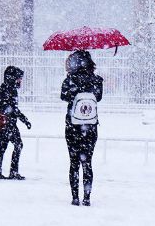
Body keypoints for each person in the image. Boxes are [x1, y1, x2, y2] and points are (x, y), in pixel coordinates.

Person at [61, 50, 103, 206]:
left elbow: (63, 96)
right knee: (87, 162)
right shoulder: (96, 79)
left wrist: (73, 88)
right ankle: (87, 197)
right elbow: (98, 98)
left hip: (73, 124)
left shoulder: (70, 79)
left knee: (73, 162)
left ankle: (74, 197)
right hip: (90, 126)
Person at [0, 65, 31, 180]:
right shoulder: (10, 89)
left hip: (5, 123)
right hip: (8, 124)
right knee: (18, 145)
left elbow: (7, 107)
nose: (20, 80)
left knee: (2, 148)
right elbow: (12, 109)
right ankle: (12, 172)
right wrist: (25, 120)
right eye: (19, 78)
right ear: (13, 77)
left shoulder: (5, 87)